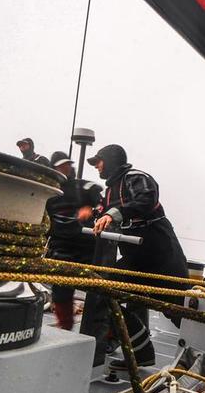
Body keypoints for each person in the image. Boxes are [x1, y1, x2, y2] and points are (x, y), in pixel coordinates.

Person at [86, 144, 189, 369]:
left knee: (177, 309)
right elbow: (103, 212)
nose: (96, 167)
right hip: (137, 257)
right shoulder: (110, 191)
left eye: (98, 162)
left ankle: (204, 355)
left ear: (111, 160)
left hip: (162, 253)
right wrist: (91, 214)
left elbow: (146, 198)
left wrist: (111, 215)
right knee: (105, 292)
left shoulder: (136, 178)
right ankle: (141, 355)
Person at [45, 151, 102, 330]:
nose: (65, 168)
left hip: (87, 247)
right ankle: (65, 327)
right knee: (61, 289)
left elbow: (103, 203)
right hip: (60, 246)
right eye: (60, 166)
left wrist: (91, 209)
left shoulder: (84, 187)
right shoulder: (48, 191)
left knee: (98, 291)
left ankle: (109, 334)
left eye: (67, 164)